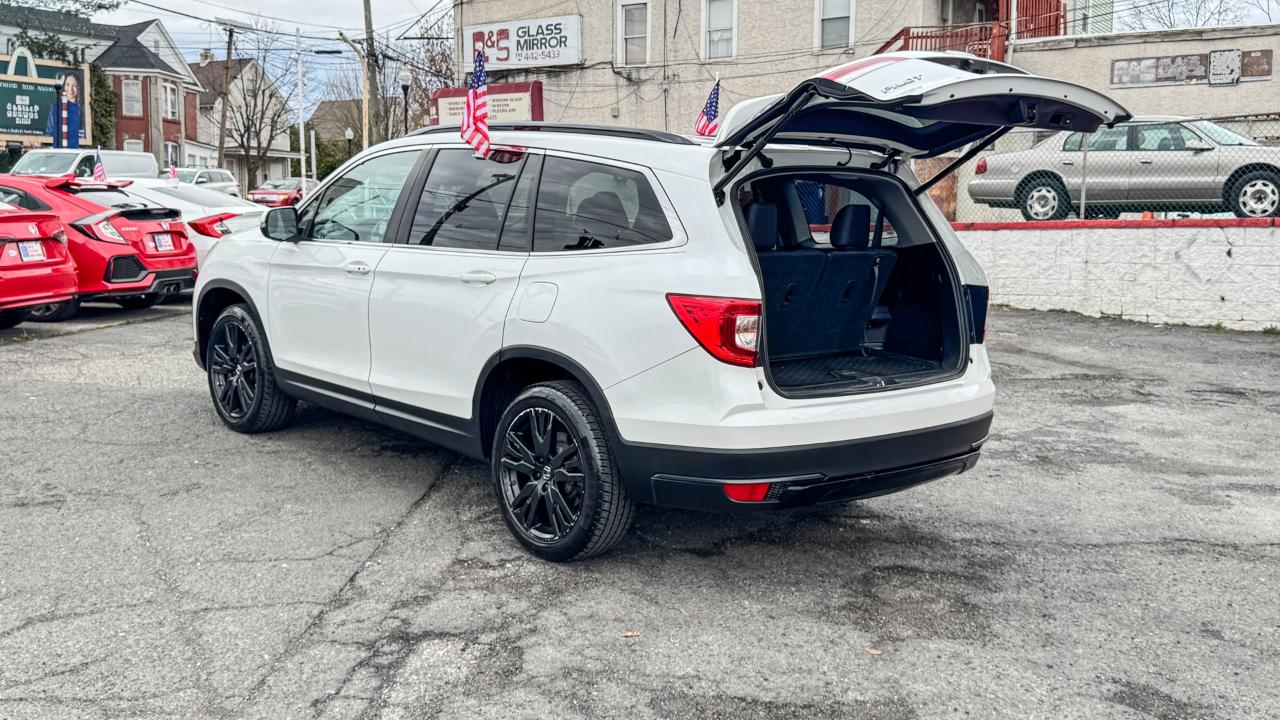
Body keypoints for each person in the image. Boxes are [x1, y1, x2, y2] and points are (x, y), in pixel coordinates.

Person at [45, 72, 82, 149]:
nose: (70, 89)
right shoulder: (55, 107)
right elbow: (49, 131)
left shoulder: (80, 110)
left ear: (78, 88)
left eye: (74, 85)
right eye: (67, 84)